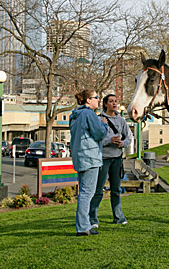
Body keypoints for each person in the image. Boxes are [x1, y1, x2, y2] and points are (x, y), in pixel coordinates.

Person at [69, 90, 108, 236]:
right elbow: (99, 134)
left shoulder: (74, 116)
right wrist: (103, 124)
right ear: (88, 100)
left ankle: (83, 225)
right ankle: (83, 227)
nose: (98, 100)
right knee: (87, 193)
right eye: (96, 98)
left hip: (80, 157)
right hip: (90, 157)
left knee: (84, 193)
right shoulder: (89, 114)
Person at [89, 94, 132, 228]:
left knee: (116, 189)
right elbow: (94, 138)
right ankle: (93, 219)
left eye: (116, 101)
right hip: (103, 159)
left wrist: (122, 143)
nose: (114, 103)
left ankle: (118, 217)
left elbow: (129, 137)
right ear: (105, 104)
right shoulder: (98, 119)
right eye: (111, 101)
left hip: (117, 159)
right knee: (98, 189)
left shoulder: (121, 120)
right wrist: (109, 141)